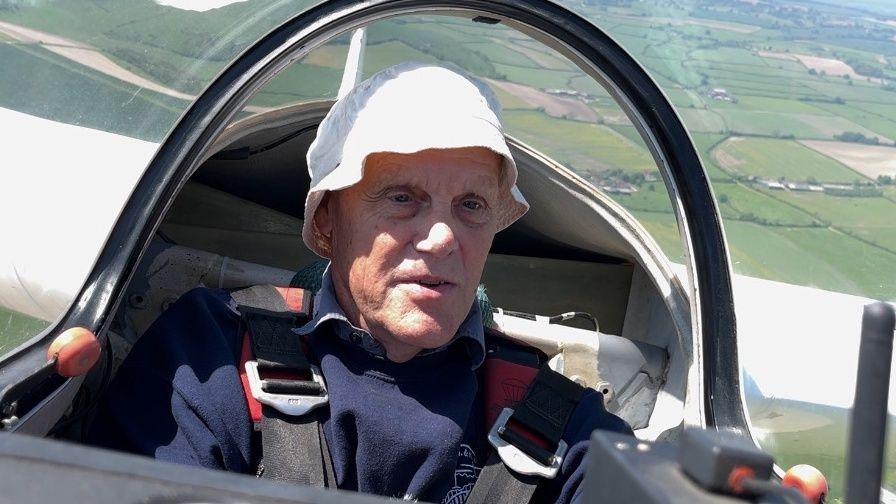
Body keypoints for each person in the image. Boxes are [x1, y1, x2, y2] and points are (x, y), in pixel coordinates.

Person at [89, 62, 631, 503]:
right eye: (402, 198)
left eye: (471, 205)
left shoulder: (563, 422)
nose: (443, 238)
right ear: (327, 219)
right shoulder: (211, 355)